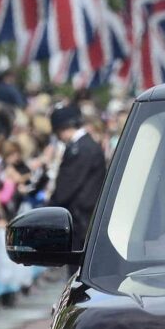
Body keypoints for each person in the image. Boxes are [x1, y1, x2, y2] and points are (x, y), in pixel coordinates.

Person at [48, 103, 107, 268]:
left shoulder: (81, 149)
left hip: (81, 218)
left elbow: (67, 186)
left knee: (78, 272)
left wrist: (50, 208)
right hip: (85, 217)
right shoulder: (86, 145)